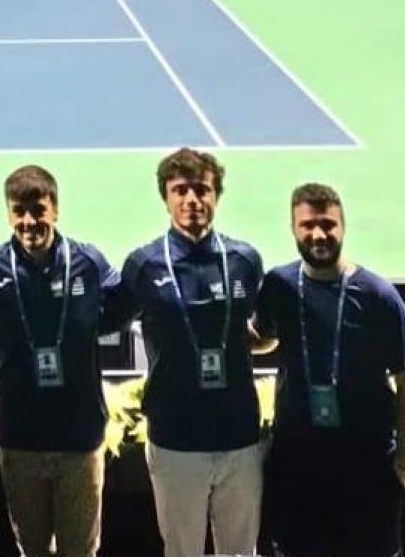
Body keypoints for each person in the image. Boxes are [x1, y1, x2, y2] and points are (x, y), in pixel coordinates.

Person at [253, 184, 405, 557]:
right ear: (294, 229)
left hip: (367, 471)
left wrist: (403, 466)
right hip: (297, 469)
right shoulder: (278, 286)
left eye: (327, 224)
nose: (318, 234)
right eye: (307, 225)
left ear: (343, 227)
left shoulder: (378, 295)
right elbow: (265, 339)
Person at [119, 149, 265, 557]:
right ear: (166, 198)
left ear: (216, 195)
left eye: (201, 189)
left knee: (240, 551)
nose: (191, 200)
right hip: (175, 438)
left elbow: (263, 332)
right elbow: (95, 321)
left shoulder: (245, 261)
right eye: (180, 190)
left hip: (238, 434)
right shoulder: (143, 264)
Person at [0, 166, 121, 557]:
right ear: (9, 214)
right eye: (19, 211)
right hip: (20, 439)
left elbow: (118, 307)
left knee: (81, 551)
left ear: (55, 209)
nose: (29, 222)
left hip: (80, 440)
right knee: (32, 549)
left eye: (38, 210)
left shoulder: (88, 263)